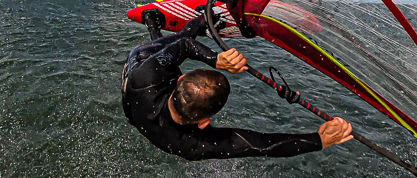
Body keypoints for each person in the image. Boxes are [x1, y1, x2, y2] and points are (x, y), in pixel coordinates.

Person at [121, 13, 353, 160]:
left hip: (138, 66)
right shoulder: (191, 145)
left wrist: (216, 60)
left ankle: (161, 21)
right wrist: (319, 140)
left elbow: (184, 46)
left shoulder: (148, 77)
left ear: (180, 80)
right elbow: (260, 146)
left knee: (179, 39)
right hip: (145, 79)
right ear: (203, 123)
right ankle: (187, 22)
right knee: (182, 35)